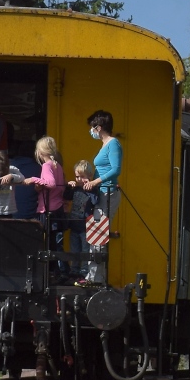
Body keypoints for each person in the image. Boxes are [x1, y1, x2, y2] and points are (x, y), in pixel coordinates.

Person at [79, 110, 121, 284]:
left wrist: (95, 182)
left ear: (99, 127)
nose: (91, 131)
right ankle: (96, 276)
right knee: (96, 233)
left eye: (92, 128)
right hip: (101, 193)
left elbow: (116, 169)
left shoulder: (113, 144)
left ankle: (95, 278)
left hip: (108, 193)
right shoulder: (105, 145)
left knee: (98, 234)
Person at [23, 137, 66, 274]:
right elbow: (59, 186)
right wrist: (41, 187)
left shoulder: (47, 166)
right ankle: (56, 271)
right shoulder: (57, 165)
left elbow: (51, 183)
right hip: (57, 207)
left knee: (46, 243)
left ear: (40, 152)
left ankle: (47, 272)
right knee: (54, 243)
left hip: (47, 209)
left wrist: (33, 179)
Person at [67, 160, 97, 279]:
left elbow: (95, 201)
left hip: (85, 226)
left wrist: (90, 188)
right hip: (74, 224)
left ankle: (84, 271)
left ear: (89, 177)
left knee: (85, 249)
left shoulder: (92, 190)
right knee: (74, 249)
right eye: (77, 176)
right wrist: (69, 186)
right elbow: (67, 197)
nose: (79, 179)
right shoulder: (76, 189)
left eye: (82, 177)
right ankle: (74, 270)